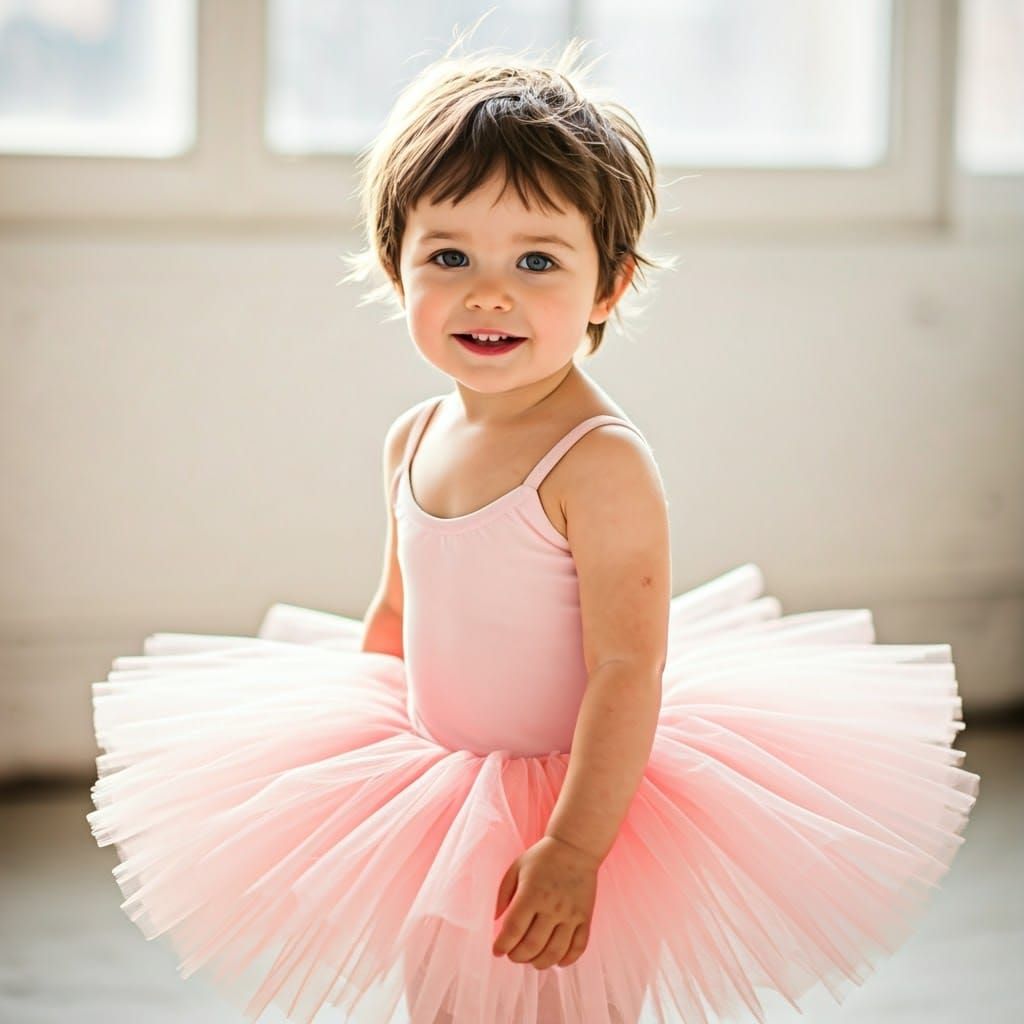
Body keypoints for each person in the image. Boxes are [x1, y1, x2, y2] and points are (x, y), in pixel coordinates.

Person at [87, 38, 980, 1024]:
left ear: (609, 287)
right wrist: (353, 769)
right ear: (396, 269)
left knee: (570, 1004)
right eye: (449, 255)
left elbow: (626, 668)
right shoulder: (412, 437)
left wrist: (576, 847)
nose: (489, 292)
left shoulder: (598, 463)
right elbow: (395, 609)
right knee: (443, 999)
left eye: (537, 260)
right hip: (437, 788)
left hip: (574, 796)